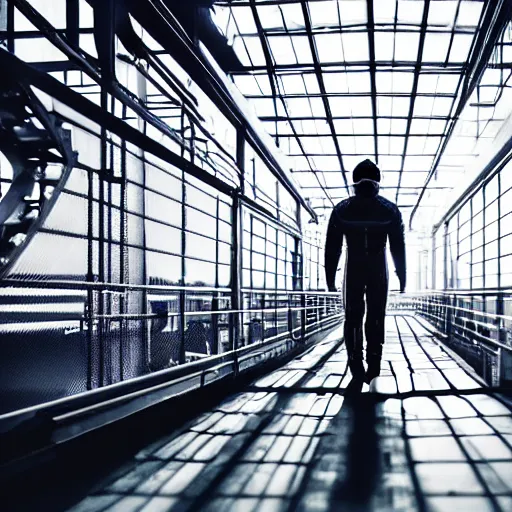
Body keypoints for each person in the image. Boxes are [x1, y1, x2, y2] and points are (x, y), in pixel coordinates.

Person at [325, 159, 406, 383]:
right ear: (377, 184)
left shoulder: (342, 209)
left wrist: (330, 278)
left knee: (352, 316)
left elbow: (332, 247)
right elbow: (398, 246)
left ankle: (355, 363)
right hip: (379, 266)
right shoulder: (389, 210)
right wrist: (402, 276)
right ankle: (374, 362)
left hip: (353, 266)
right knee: (376, 315)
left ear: (354, 184)